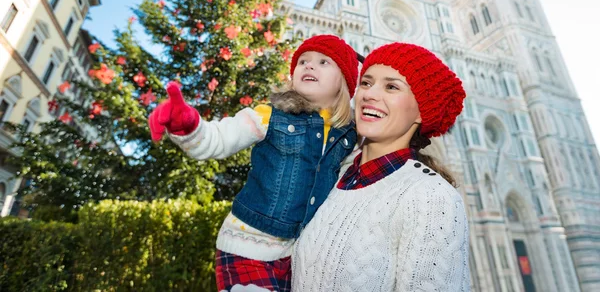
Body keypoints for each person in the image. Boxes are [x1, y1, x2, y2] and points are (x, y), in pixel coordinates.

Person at [148, 34, 359, 292]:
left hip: (299, 258)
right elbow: (220, 138)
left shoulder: (348, 137)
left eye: (323, 62)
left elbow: (349, 185)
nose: (309, 65)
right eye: (303, 61)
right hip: (246, 247)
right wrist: (188, 126)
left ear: (345, 82)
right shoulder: (269, 116)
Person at [292, 42, 470, 291]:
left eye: (391, 86)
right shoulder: (335, 176)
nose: (369, 94)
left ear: (422, 111)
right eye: (366, 82)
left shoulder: (431, 198)